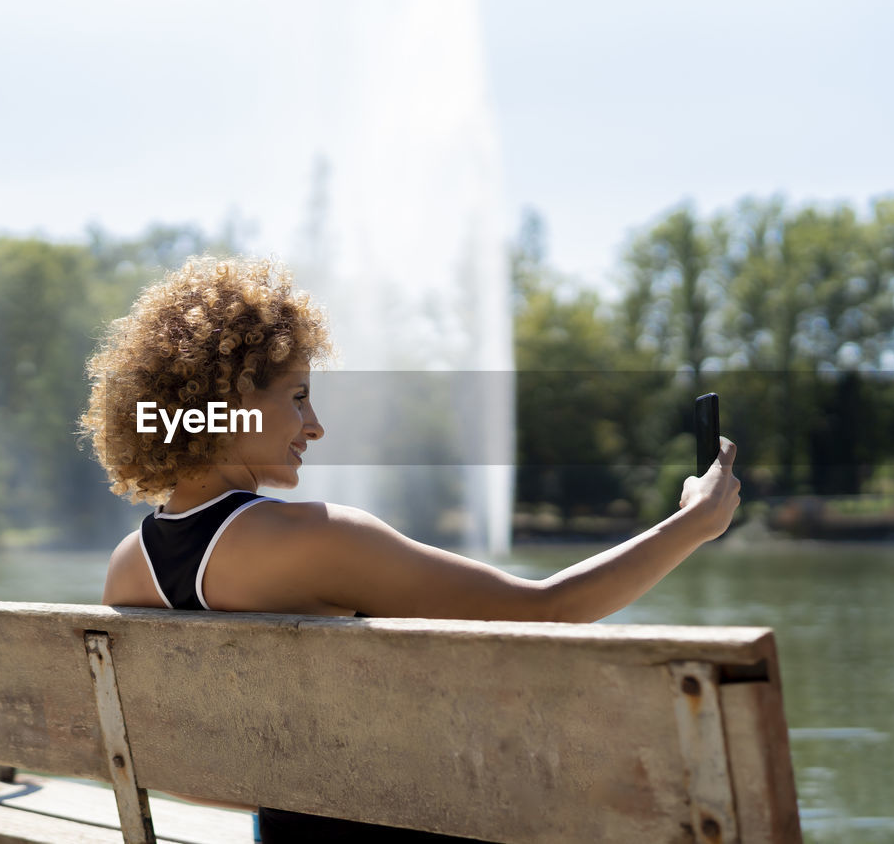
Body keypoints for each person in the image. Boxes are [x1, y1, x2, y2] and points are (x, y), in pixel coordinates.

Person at [79, 255, 741, 842]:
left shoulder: (127, 566)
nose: (315, 425)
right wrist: (691, 523)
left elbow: (180, 770)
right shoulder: (317, 539)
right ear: (230, 404)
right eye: (299, 396)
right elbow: (549, 609)